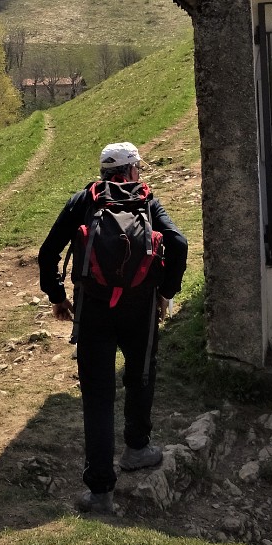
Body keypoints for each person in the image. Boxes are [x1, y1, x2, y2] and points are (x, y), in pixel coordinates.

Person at [38, 141, 188, 514]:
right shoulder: (148, 202)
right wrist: (165, 294)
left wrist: (57, 296)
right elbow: (179, 244)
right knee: (139, 376)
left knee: (98, 395)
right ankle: (137, 449)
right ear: (133, 169)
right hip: (140, 309)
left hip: (94, 311)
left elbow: (48, 252)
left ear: (104, 171)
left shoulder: (84, 201)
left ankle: (100, 490)